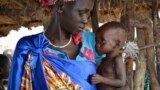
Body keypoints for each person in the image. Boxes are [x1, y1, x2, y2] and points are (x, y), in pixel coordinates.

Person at [8, 0, 103, 90]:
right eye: (82, 13)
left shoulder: (94, 42)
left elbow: (114, 76)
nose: (86, 20)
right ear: (61, 6)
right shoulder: (29, 47)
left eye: (88, 13)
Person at [91, 21, 129, 90]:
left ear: (117, 44)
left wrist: (102, 79)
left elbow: (121, 82)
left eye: (102, 41)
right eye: (96, 41)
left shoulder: (117, 60)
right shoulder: (104, 60)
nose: (97, 45)